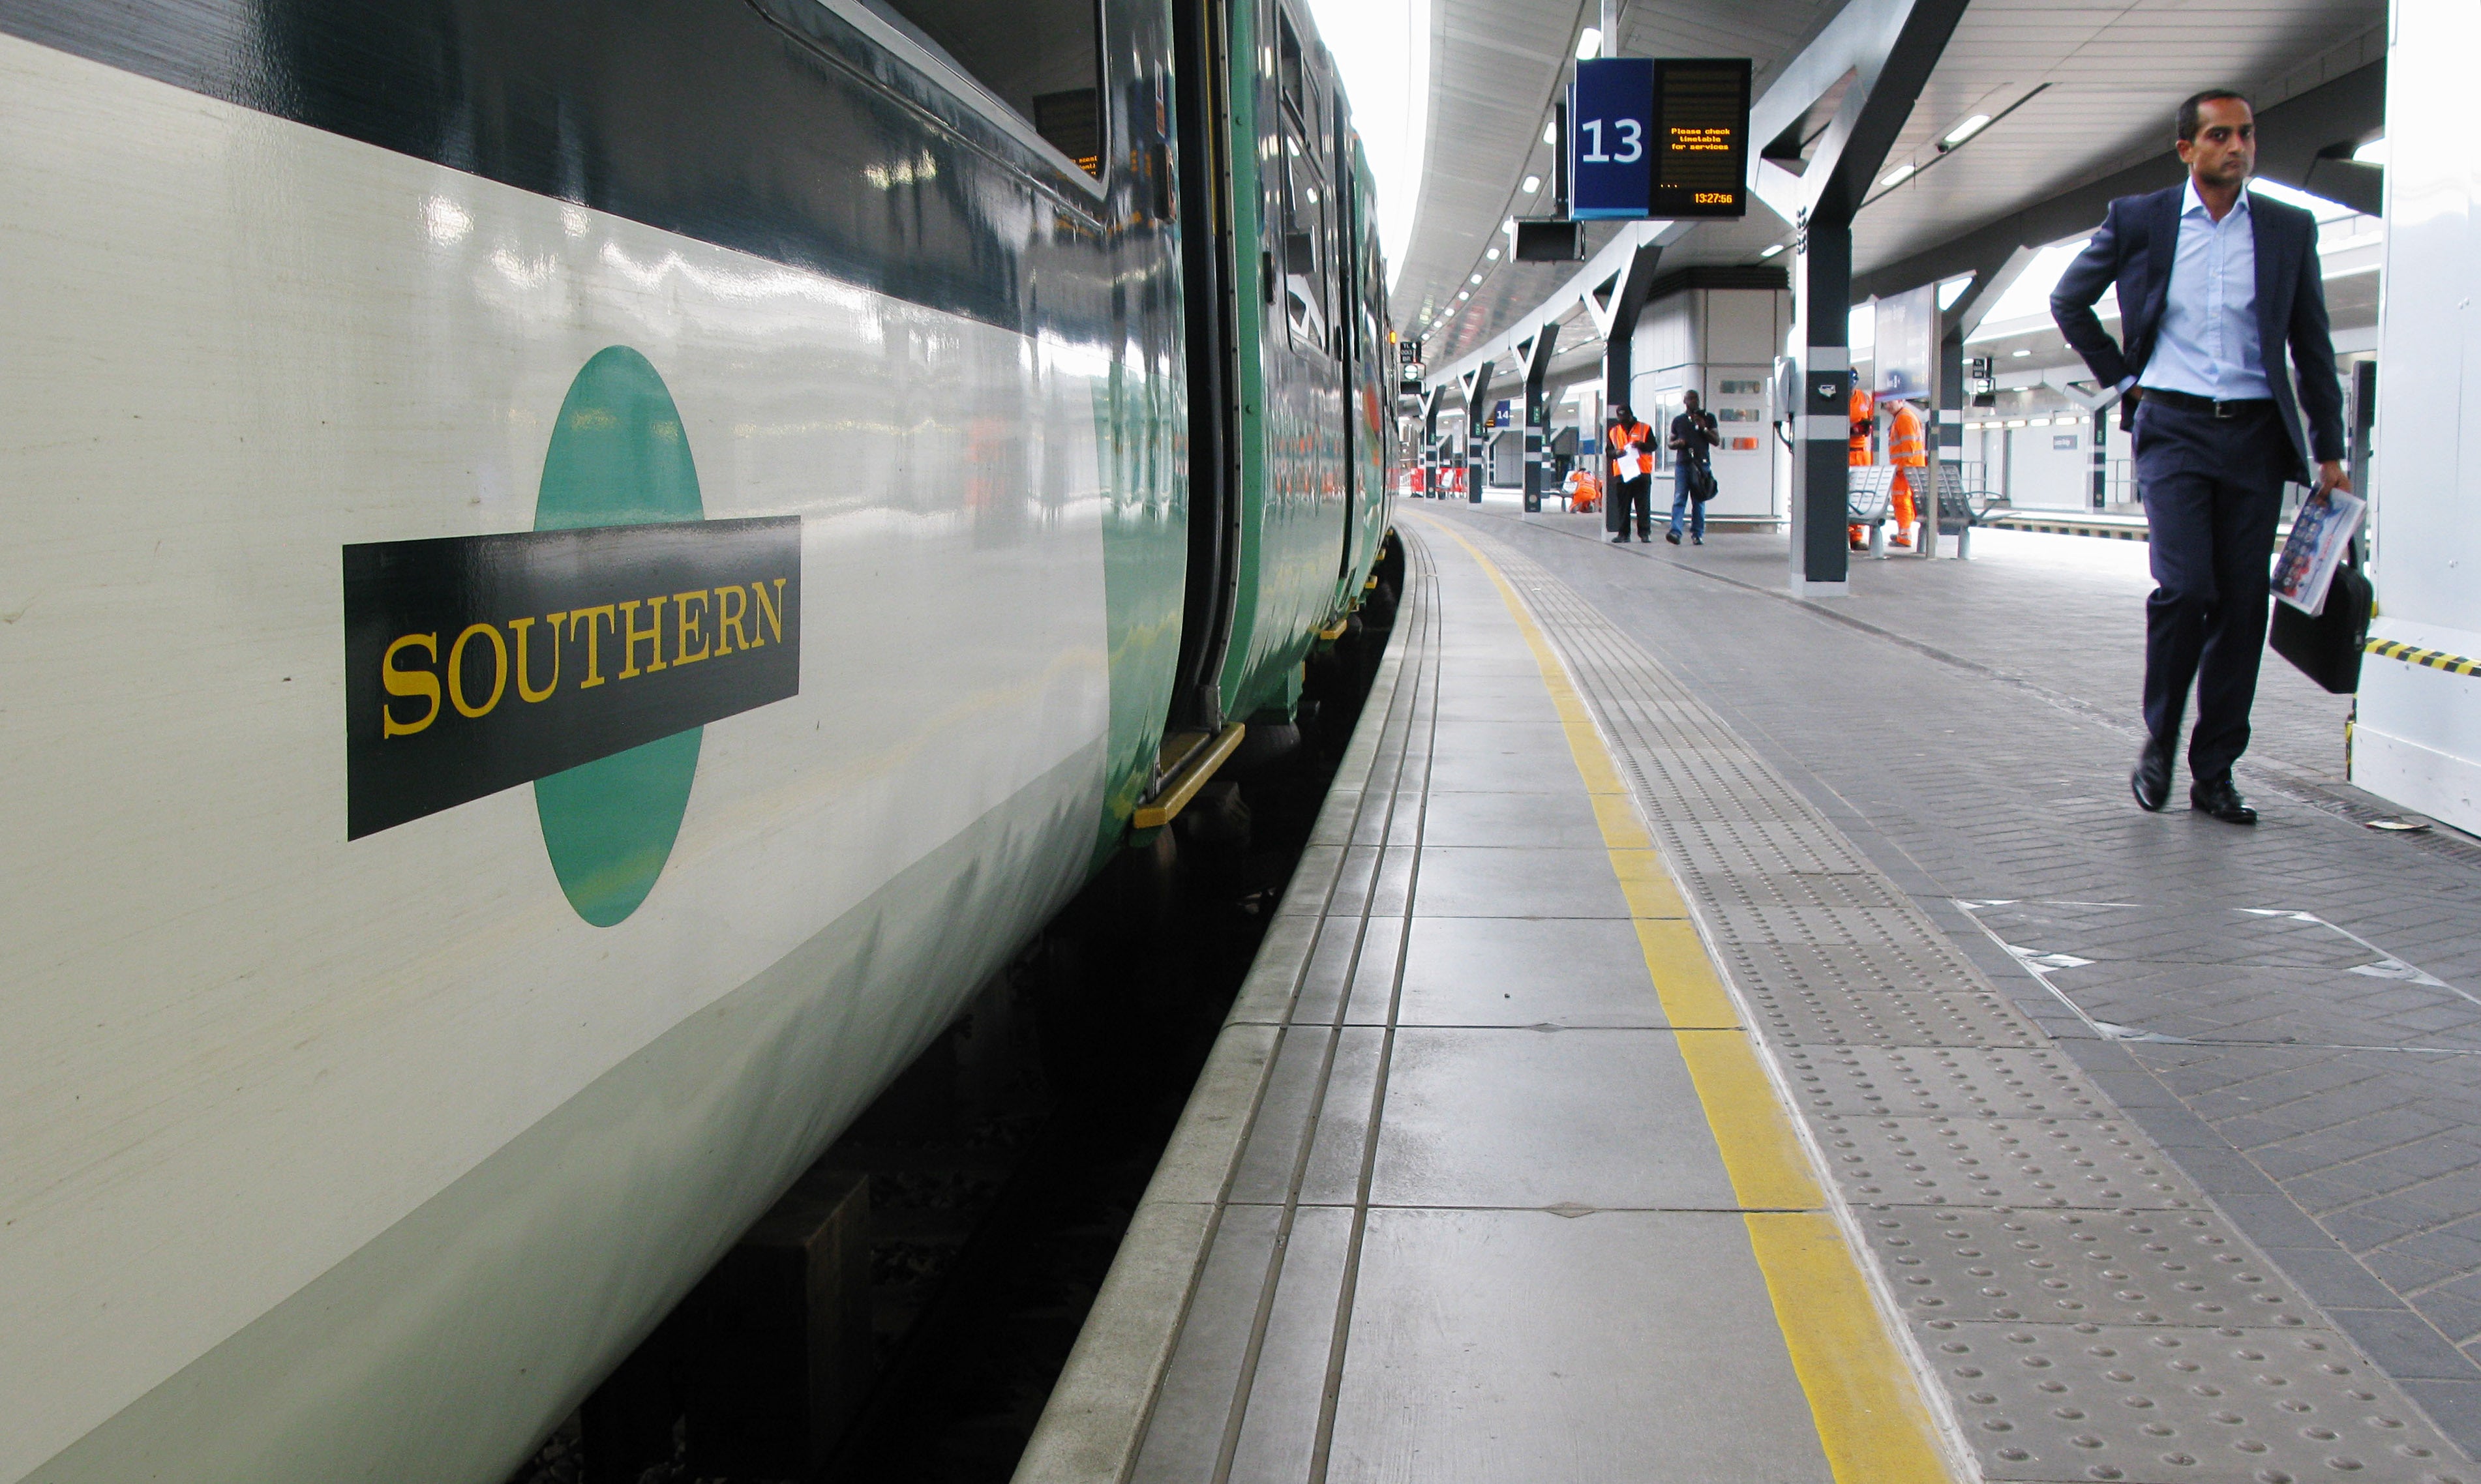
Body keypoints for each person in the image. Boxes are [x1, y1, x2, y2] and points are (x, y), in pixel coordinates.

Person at [2051, 89, 2347, 826]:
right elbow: (2069, 300)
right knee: (2185, 589)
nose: (2237, 147)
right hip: (2173, 426)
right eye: (2220, 136)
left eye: (2246, 135)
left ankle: (2215, 771)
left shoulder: (2287, 229)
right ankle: (2161, 736)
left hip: (2253, 436)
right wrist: (2125, 380)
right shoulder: (2140, 219)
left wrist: (2331, 451)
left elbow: (2311, 348)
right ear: (2187, 148)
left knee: (2244, 605)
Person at [1667, 391, 1719, 545]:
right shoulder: (1678, 421)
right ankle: (1675, 532)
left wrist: (1703, 428)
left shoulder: (1708, 418)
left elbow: (1716, 440)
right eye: (1690, 398)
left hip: (1701, 464)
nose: (1693, 401)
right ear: (1684, 401)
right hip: (1683, 464)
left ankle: (1697, 533)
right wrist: (1678, 444)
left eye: (1696, 398)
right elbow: (1670, 443)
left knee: (1699, 499)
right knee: (1679, 498)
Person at [1606, 405, 1654, 542]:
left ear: (1631, 416)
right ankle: (1624, 534)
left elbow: (1653, 446)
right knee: (1623, 505)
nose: (1623, 422)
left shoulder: (1645, 429)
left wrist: (1641, 445)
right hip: (1622, 473)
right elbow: (1609, 452)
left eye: (1625, 418)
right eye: (1620, 418)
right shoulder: (1613, 432)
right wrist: (1616, 453)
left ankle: (1644, 533)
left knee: (1643, 504)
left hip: (1642, 472)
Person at [1886, 398, 1925, 548]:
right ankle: (1904, 533)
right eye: (1886, 403)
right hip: (1907, 468)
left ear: (1901, 401)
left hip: (1906, 469)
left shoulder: (1904, 417)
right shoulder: (1903, 417)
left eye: (1891, 402)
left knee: (1901, 500)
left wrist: (1905, 468)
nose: (1888, 406)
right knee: (1902, 501)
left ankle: (1904, 536)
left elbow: (1909, 445)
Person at [1847, 385, 1874, 550]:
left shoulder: (1865, 398)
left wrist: (1865, 428)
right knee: (1845, 494)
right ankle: (1846, 532)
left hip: (1862, 453)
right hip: (1845, 451)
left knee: (1860, 494)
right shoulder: (1835, 398)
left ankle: (1857, 537)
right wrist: (1850, 430)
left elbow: (1871, 421)